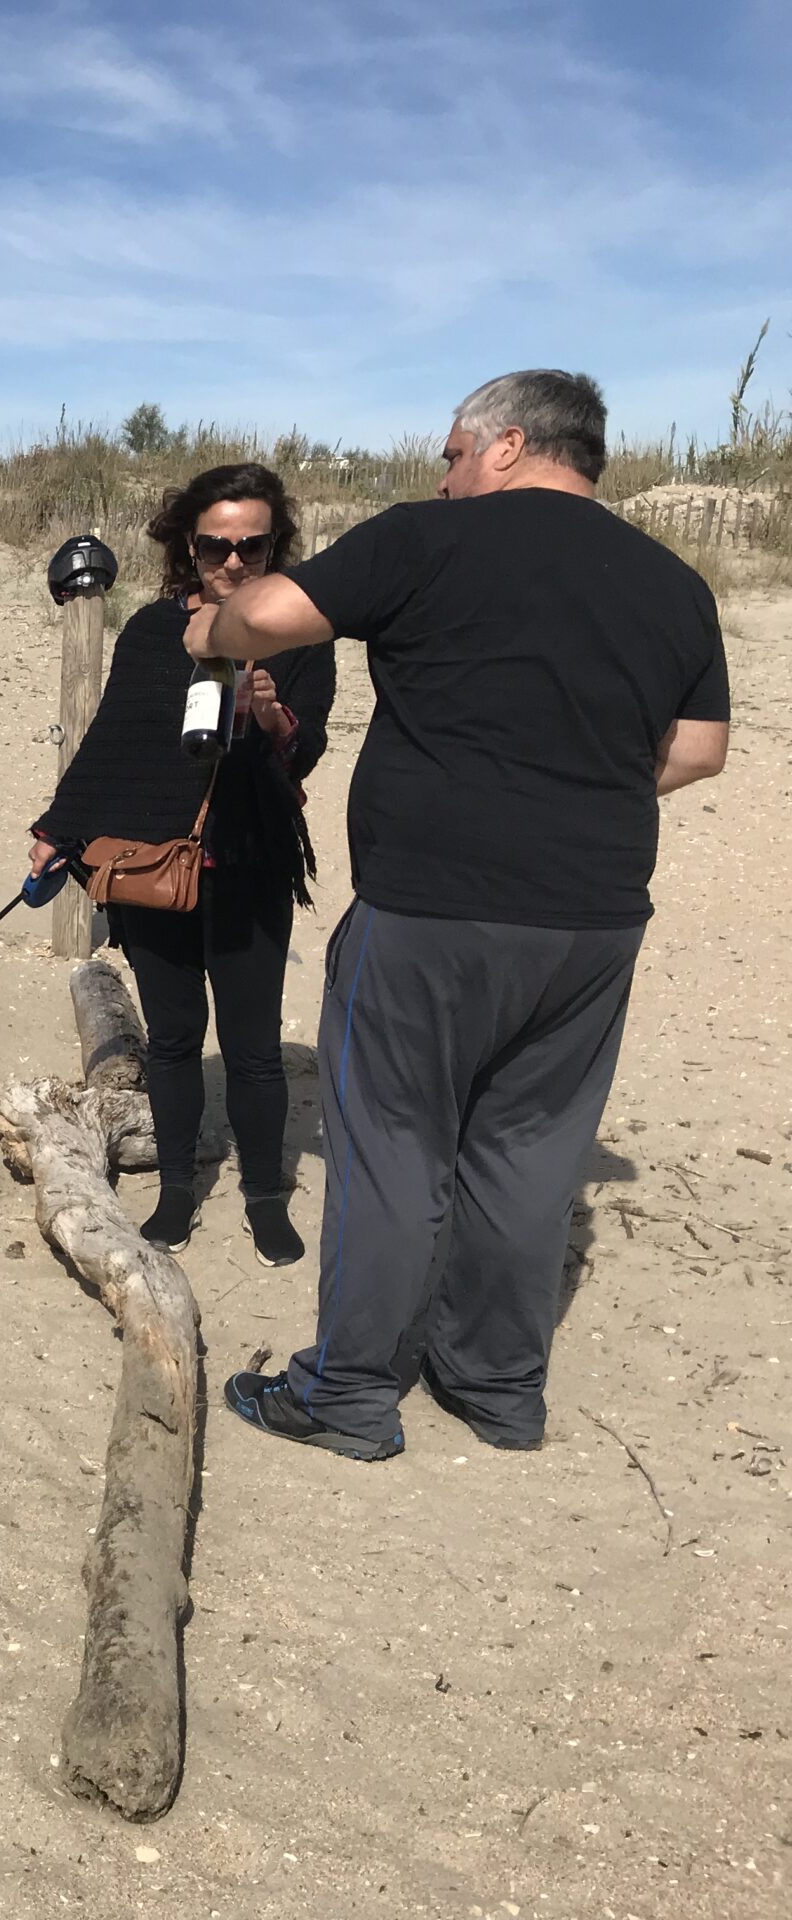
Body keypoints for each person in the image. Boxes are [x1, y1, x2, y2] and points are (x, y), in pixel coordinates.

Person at [193, 370, 730, 1461]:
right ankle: (495, 1388)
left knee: (391, 1144)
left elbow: (269, 617)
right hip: (594, 916)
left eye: (448, 453)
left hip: (433, 905)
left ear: (507, 444)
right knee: (531, 1152)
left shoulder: (427, 542)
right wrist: (573, 787)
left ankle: (347, 1397)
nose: (440, 477)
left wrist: (212, 627)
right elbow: (699, 748)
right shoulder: (672, 583)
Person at [31, 463, 334, 1266]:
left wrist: (273, 719)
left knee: (253, 1046)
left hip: (249, 859)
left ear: (276, 545)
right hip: (149, 867)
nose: (232, 562)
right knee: (170, 1041)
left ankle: (265, 1195)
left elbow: (306, 756)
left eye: (252, 546)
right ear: (186, 547)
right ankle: (174, 1188)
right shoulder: (148, 632)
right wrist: (58, 828)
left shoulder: (300, 632)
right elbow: (111, 743)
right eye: (214, 546)